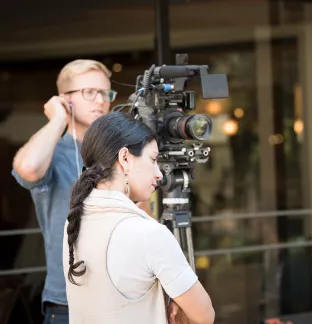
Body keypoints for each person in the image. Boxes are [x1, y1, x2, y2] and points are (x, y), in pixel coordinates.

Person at [62, 112, 214, 324]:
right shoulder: (148, 234)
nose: (159, 174)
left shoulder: (75, 221)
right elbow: (205, 315)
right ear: (125, 158)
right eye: (153, 159)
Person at [12, 59, 116, 323]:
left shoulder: (118, 155)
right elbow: (29, 168)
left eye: (105, 93)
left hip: (122, 298)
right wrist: (58, 119)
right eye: (89, 92)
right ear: (64, 99)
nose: (100, 100)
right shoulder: (52, 154)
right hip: (68, 304)